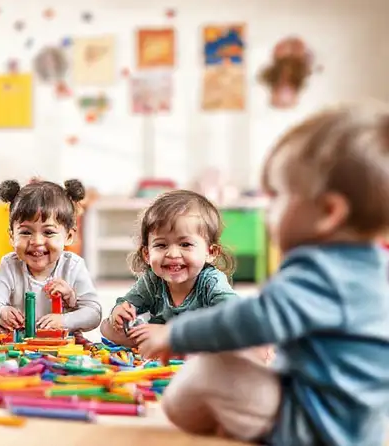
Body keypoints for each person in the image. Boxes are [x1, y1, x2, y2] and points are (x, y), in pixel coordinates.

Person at [139, 103, 389, 446]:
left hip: (312, 424)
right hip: (358, 426)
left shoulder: (322, 271)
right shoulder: (373, 267)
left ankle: (248, 430)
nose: (267, 212)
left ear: (328, 212)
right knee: (234, 353)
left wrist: (176, 335)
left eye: (277, 197)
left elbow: (254, 318)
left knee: (206, 371)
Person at [100, 190, 238, 348]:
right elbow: (127, 304)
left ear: (210, 252)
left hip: (201, 345)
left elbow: (234, 315)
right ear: (147, 253)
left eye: (185, 244)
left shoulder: (211, 281)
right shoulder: (152, 281)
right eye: (161, 245)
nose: (172, 254)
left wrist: (169, 333)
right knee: (107, 327)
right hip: (163, 350)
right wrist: (120, 313)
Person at [0, 178, 102, 339]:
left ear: (69, 236)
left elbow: (93, 313)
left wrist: (65, 319)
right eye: (25, 232)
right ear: (12, 236)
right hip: (16, 346)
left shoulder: (73, 266)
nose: (36, 242)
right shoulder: (9, 265)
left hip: (60, 348)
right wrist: (0, 313)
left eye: (48, 232)